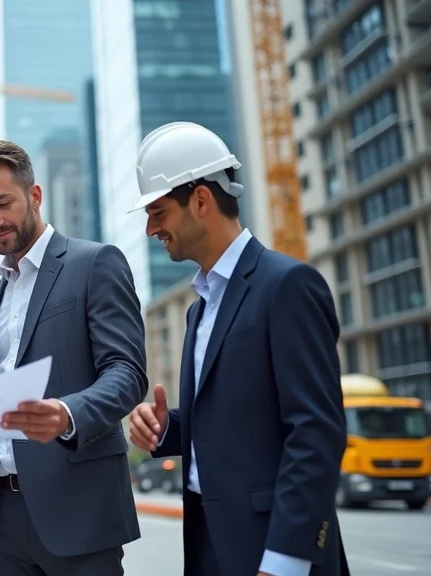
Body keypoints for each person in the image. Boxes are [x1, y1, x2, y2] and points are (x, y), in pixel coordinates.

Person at [126, 122, 350, 576]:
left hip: (273, 554)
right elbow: (229, 422)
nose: (151, 229)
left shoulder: (287, 286)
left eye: (159, 212)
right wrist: (166, 429)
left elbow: (315, 433)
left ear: (202, 200)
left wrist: (285, 560)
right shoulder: (198, 309)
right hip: (211, 549)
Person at [0, 140, 148, 575]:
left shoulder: (95, 263)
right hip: (2, 520)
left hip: (79, 510)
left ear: (35, 196)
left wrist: (67, 413)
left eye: (2, 204)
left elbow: (126, 372)